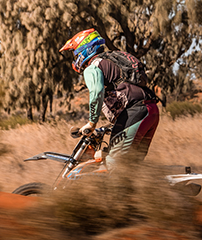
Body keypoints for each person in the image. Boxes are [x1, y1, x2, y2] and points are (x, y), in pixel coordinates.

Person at [60, 29, 159, 169]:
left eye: (74, 52)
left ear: (84, 49)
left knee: (114, 164)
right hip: (151, 110)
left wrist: (92, 123)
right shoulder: (110, 60)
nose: (74, 57)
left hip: (135, 113)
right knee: (133, 167)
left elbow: (97, 91)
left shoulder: (92, 67)